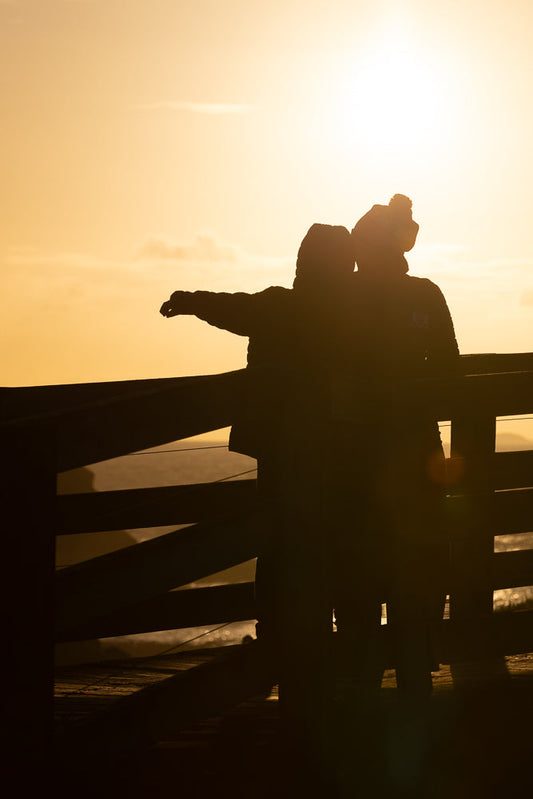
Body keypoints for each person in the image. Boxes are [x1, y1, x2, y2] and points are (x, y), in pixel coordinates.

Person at [328, 194, 460, 702]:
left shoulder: (340, 296)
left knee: (357, 567)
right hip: (415, 452)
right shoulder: (424, 295)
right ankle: (415, 671)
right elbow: (449, 372)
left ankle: (359, 680)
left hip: (355, 457)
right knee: (419, 561)